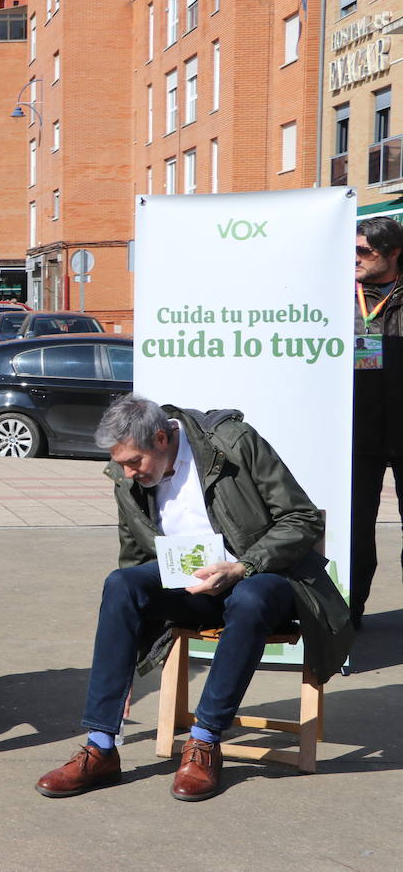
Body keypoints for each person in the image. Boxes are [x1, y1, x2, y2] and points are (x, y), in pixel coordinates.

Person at [35, 395, 352, 803]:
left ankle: (204, 741)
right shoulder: (127, 476)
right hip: (192, 587)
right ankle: (100, 746)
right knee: (121, 584)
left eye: (134, 462)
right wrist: (133, 646)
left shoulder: (234, 443)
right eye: (122, 464)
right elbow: (134, 557)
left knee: (250, 598)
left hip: (267, 579)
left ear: (162, 438)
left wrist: (243, 566)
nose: (128, 473)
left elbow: (303, 518)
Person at [350, 216, 403, 628]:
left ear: (393, 254)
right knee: (354, 533)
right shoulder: (343, 297)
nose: (356, 258)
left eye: (365, 251)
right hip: (357, 433)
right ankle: (350, 617)